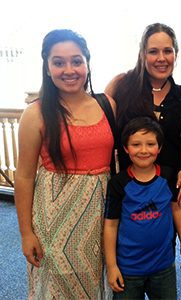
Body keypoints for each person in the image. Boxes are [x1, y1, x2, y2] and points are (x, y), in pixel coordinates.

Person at [14, 29, 115, 299]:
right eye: (58, 62)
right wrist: (26, 233)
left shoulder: (107, 105)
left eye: (76, 61)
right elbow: (24, 176)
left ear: (87, 63)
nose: (69, 69)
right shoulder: (35, 114)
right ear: (47, 68)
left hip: (100, 219)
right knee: (55, 287)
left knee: (97, 282)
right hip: (54, 221)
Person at [103, 116, 181, 299]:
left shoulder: (168, 177)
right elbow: (111, 226)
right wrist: (111, 267)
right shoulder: (118, 184)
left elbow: (176, 210)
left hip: (163, 266)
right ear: (126, 148)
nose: (144, 150)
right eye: (136, 144)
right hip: (128, 270)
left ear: (159, 148)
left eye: (150, 144)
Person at [105, 23, 181, 204]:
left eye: (167, 51)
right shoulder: (121, 84)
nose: (161, 58)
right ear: (142, 54)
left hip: (167, 191)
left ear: (175, 54)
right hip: (127, 190)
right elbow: (102, 128)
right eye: (153, 52)